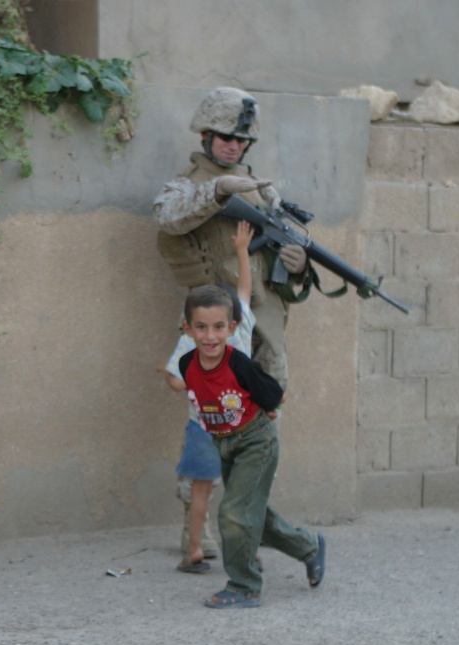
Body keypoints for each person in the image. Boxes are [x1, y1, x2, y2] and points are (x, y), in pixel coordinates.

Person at [153, 86, 311, 391]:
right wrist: (217, 190)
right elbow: (167, 217)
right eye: (226, 137)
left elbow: (282, 238)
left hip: (264, 317)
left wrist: (299, 264)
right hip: (215, 317)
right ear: (206, 136)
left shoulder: (261, 188)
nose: (233, 146)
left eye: (241, 140)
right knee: (215, 406)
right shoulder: (187, 184)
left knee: (269, 404)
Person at [177, 285, 325, 608]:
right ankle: (309, 547)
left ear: (232, 328)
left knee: (235, 513)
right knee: (252, 514)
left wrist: (268, 408)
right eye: (201, 327)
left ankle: (244, 586)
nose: (210, 336)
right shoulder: (187, 364)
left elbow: (275, 394)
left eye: (219, 327)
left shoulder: (239, 364)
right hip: (224, 444)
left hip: (256, 440)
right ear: (187, 329)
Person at [162, 221, 256, 573]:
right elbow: (244, 290)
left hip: (203, 427)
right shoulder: (239, 325)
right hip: (242, 427)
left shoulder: (192, 339)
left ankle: (195, 550)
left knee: (200, 490)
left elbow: (174, 381)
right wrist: (242, 252)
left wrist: (189, 383)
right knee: (242, 493)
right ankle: (247, 550)